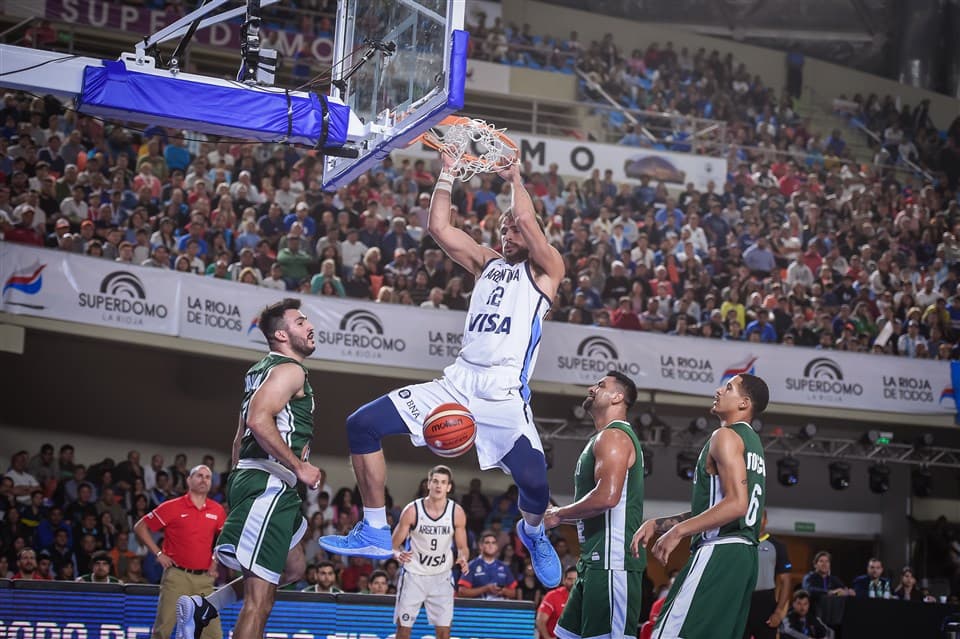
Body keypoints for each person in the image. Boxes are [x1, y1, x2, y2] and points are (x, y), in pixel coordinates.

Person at [319, 154, 565, 588]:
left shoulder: (547, 271)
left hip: (504, 394)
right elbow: (439, 228)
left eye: (514, 229)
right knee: (361, 425)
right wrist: (448, 172)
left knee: (536, 485)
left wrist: (515, 178)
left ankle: (533, 531)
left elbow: (527, 219)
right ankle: (374, 528)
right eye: (503, 228)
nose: (507, 233)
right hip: (458, 381)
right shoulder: (487, 263)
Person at [175, 299, 323, 639]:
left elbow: (240, 432)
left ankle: (204, 608)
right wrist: (298, 466)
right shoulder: (291, 370)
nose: (310, 326)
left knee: (293, 568)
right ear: (282, 335)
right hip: (270, 481)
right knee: (259, 602)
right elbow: (257, 420)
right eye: (301, 322)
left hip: (260, 478)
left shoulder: (260, 370)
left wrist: (240, 479)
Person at [631, 374, 769, 639]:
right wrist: (658, 525)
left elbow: (736, 504)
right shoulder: (753, 443)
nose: (718, 390)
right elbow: (715, 508)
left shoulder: (725, 436)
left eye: (728, 387)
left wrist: (677, 532)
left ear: (744, 403)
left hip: (720, 550)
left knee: (668, 634)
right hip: (744, 555)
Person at [543, 371, 645, 639]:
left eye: (601, 385)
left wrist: (558, 514)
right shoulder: (602, 438)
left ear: (617, 397)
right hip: (593, 562)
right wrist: (556, 515)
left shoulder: (615, 436)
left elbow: (607, 498)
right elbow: (597, 505)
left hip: (612, 563)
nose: (591, 388)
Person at [134, 464, 225, 639]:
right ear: (189, 480)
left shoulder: (217, 510)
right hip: (177, 576)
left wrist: (215, 560)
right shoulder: (172, 506)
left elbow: (224, 538)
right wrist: (159, 554)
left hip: (204, 579)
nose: (204, 480)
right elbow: (140, 527)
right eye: (199, 476)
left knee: (213, 634)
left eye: (207, 477)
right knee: (164, 629)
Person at [391, 465, 470, 639]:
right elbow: (393, 545)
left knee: (444, 633)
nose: (438, 486)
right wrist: (398, 554)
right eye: (435, 481)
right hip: (414, 575)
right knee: (403, 630)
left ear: (449, 487)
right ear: (428, 484)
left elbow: (463, 547)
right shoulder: (412, 510)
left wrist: (463, 558)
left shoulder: (456, 512)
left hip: (441, 577)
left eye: (443, 482)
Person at [743, 510, 792, 639]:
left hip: (765, 602)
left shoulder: (777, 546)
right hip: (742, 600)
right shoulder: (739, 544)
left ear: (766, 521)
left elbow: (786, 580)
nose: (756, 520)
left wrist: (778, 612)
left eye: (760, 517)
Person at [458, 531, 518, 600]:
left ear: (497, 547)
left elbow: (513, 593)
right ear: (480, 546)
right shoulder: (471, 566)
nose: (491, 545)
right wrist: (486, 589)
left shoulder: (504, 567)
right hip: (478, 605)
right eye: (487, 543)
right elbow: (462, 592)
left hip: (499, 605)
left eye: (493, 543)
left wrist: (503, 591)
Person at [537, 566, 578, 639]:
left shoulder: (585, 597)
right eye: (570, 579)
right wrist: (548, 638)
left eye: (576, 579)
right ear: (563, 580)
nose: (573, 582)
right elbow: (540, 622)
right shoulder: (552, 596)